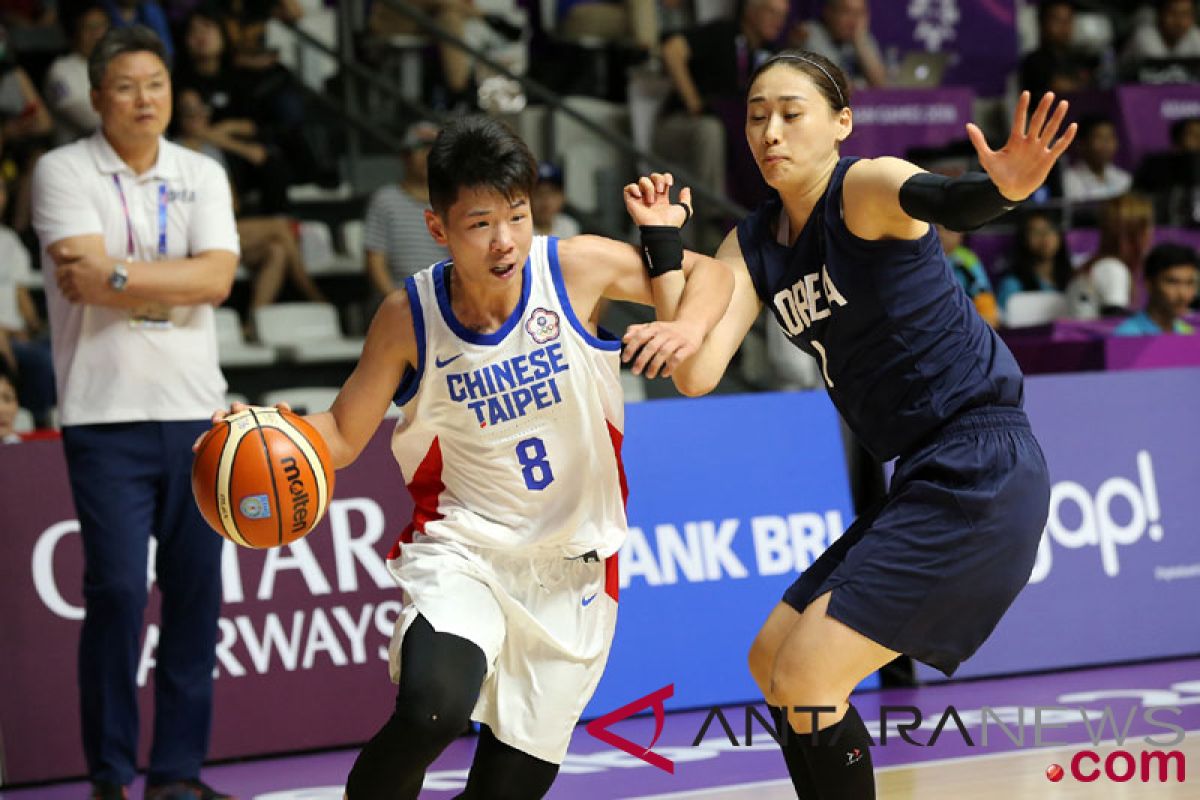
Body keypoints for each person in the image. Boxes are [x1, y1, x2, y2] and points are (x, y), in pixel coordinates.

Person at [206, 114, 731, 798]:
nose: (505, 239)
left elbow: (712, 275)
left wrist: (684, 324)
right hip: (466, 553)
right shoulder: (408, 316)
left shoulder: (572, 268)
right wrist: (257, 426)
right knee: (431, 708)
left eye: (516, 214)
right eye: (481, 222)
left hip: (574, 572)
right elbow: (337, 434)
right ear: (438, 229)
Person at [622, 51, 1073, 798]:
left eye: (792, 113)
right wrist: (665, 242)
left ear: (841, 123)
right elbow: (694, 370)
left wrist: (1001, 190)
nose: (770, 131)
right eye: (757, 115)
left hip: (981, 462)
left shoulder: (864, 186)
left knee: (805, 674)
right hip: (921, 476)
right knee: (772, 662)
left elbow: (948, 200)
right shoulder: (754, 244)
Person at [30, 25, 239, 800]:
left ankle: (177, 776)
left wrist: (120, 273)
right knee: (117, 593)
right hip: (103, 414)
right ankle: (112, 777)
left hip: (195, 413)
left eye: (156, 82)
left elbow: (217, 280)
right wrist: (174, 276)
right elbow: (78, 277)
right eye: (126, 85)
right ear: (96, 98)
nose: (145, 98)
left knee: (196, 597)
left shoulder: (202, 172)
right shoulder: (61, 170)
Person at [363, 120, 448, 298]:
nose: (428, 155)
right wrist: (398, 303)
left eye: (435, 150)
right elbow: (375, 261)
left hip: (451, 300)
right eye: (421, 148)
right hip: (401, 298)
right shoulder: (385, 200)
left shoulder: (454, 201)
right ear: (405, 156)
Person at [44, 3, 109, 144]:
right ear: (75, 32)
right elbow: (90, 121)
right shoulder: (60, 70)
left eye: (101, 26)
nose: (97, 34)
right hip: (74, 153)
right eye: (89, 27)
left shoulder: (116, 65)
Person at [994, 208, 1074, 314]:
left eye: (1050, 229)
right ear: (1024, 240)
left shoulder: (1073, 279)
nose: (1045, 237)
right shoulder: (1012, 284)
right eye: (1036, 232)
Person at [795, 0, 887, 88]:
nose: (853, 21)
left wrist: (860, 43)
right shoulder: (810, 33)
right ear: (829, 12)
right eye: (846, 12)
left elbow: (881, 84)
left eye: (859, 13)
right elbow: (840, 84)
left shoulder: (860, 36)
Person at [1113, 242, 1198, 335]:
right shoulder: (1126, 336)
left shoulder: (1189, 334)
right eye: (1172, 282)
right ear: (1150, 285)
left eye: (1189, 283)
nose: (1183, 294)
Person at [1018, 0, 1096, 99]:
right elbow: (1058, 87)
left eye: (1068, 20)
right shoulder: (1035, 60)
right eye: (1057, 20)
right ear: (1043, 22)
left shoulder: (1078, 58)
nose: (1064, 27)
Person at [938, 224, 999, 328]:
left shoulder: (968, 261)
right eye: (936, 229)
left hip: (961, 326)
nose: (941, 235)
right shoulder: (918, 259)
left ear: (961, 235)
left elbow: (985, 303)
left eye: (948, 230)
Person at [1061, 115, 1131, 203]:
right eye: (1099, 137)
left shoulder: (1124, 179)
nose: (1106, 144)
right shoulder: (1068, 180)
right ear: (1081, 144)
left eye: (1110, 137)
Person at [531, 161, 580, 239]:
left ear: (562, 197)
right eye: (538, 193)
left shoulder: (569, 228)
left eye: (551, 193)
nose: (545, 200)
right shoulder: (520, 230)